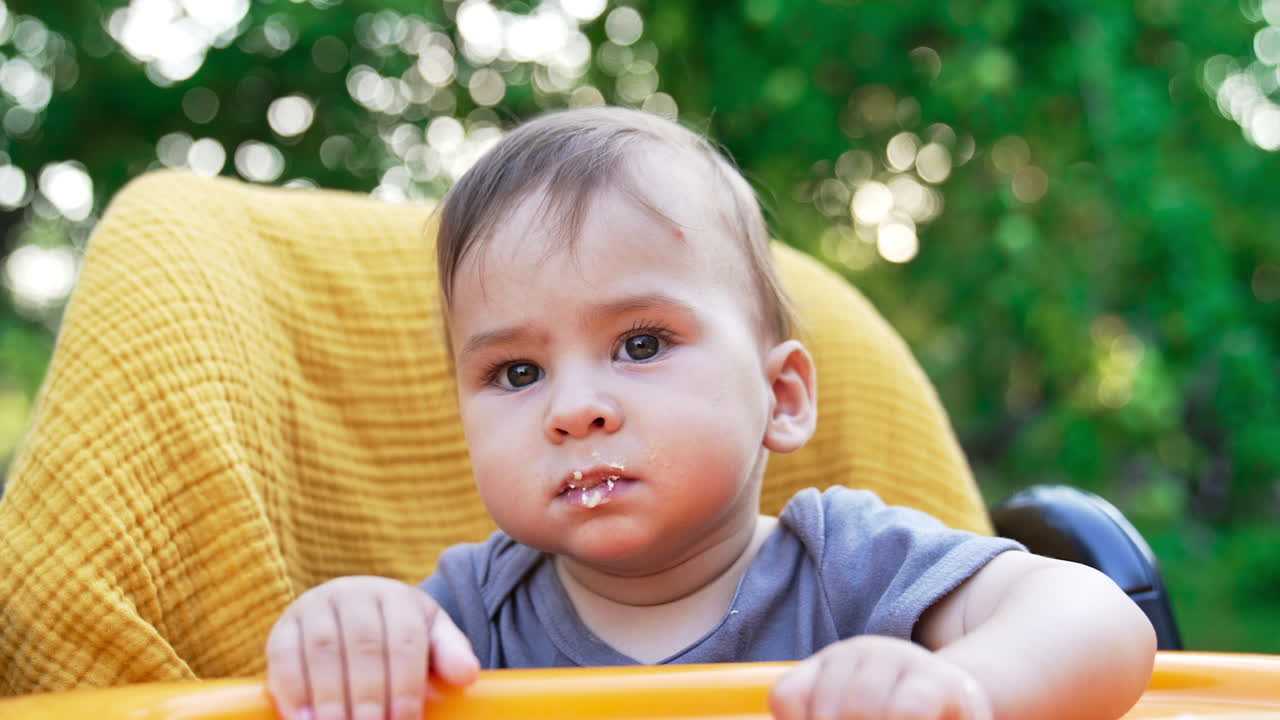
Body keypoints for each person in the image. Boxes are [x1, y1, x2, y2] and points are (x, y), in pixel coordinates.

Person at [264, 107, 1156, 720]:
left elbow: (1101, 619)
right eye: (518, 369)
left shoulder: (848, 569)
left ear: (782, 396)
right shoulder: (471, 616)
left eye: (642, 345)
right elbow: (352, 657)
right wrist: (349, 623)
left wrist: (959, 689)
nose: (574, 409)